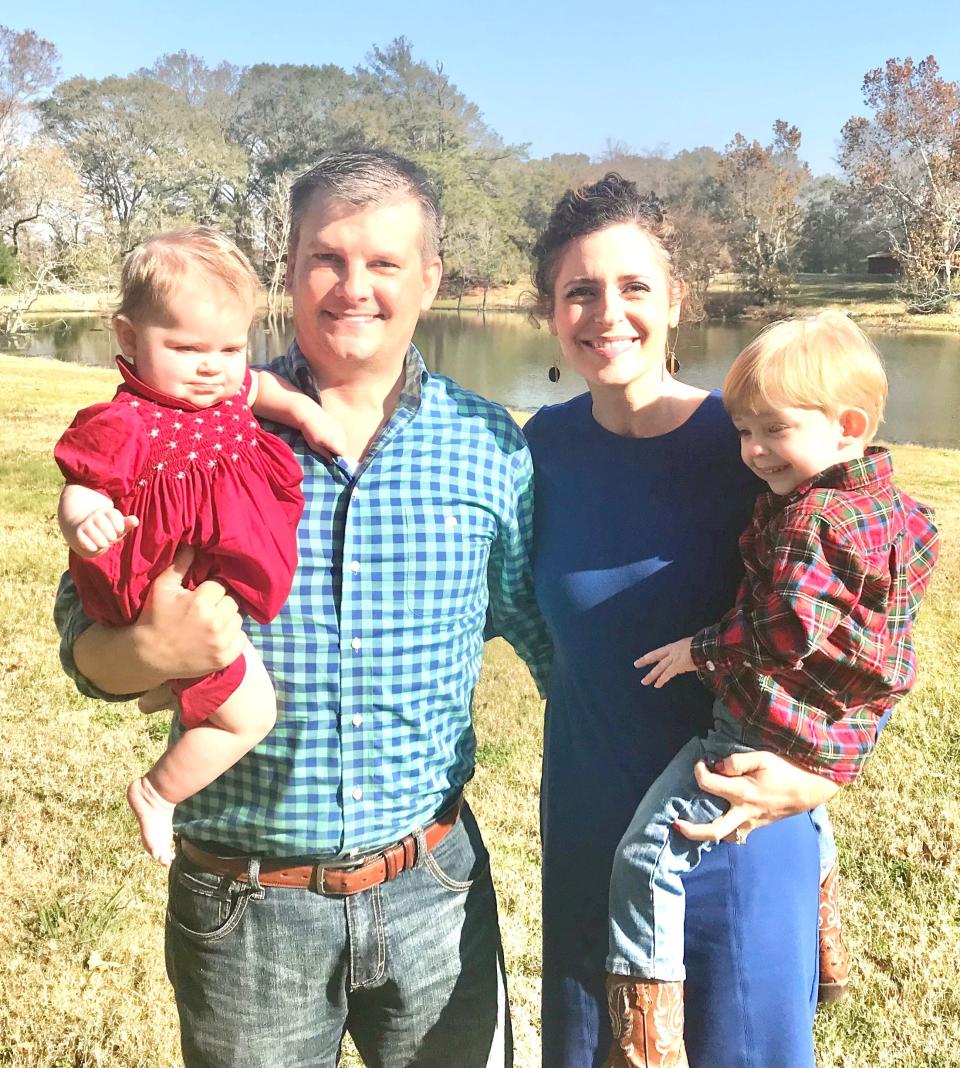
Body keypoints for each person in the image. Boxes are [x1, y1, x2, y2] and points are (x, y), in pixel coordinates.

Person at [55, 150, 551, 1068]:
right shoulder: (191, 420)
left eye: (384, 263)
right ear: (288, 270)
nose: (352, 287)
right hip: (245, 907)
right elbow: (83, 652)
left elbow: (546, 636)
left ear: (431, 279)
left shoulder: (489, 444)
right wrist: (151, 647)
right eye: (326, 257)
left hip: (433, 885)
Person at [524, 174, 844, 1068]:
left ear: (676, 301)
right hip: (593, 831)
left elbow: (872, 608)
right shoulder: (538, 450)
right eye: (579, 290)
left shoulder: (757, 444)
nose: (606, 312)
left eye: (633, 287)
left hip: (739, 827)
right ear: (550, 310)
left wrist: (823, 778)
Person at [618, 312, 939, 1065]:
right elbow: (915, 565)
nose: (753, 451)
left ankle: (645, 1036)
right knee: (811, 829)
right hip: (834, 733)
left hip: (765, 728)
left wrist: (699, 650)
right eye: (743, 431)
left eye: (773, 430)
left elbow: (787, 627)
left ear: (847, 424)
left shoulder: (812, 518)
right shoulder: (896, 510)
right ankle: (826, 952)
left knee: (646, 858)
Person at [55, 226, 347, 866]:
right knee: (251, 715)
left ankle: (175, 686)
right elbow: (85, 484)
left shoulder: (224, 388)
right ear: (128, 338)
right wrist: (83, 519)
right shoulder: (131, 419)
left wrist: (306, 415)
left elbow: (263, 390)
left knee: (213, 675)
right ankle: (159, 792)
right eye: (186, 348)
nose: (213, 365)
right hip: (177, 594)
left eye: (232, 346)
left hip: (211, 584)